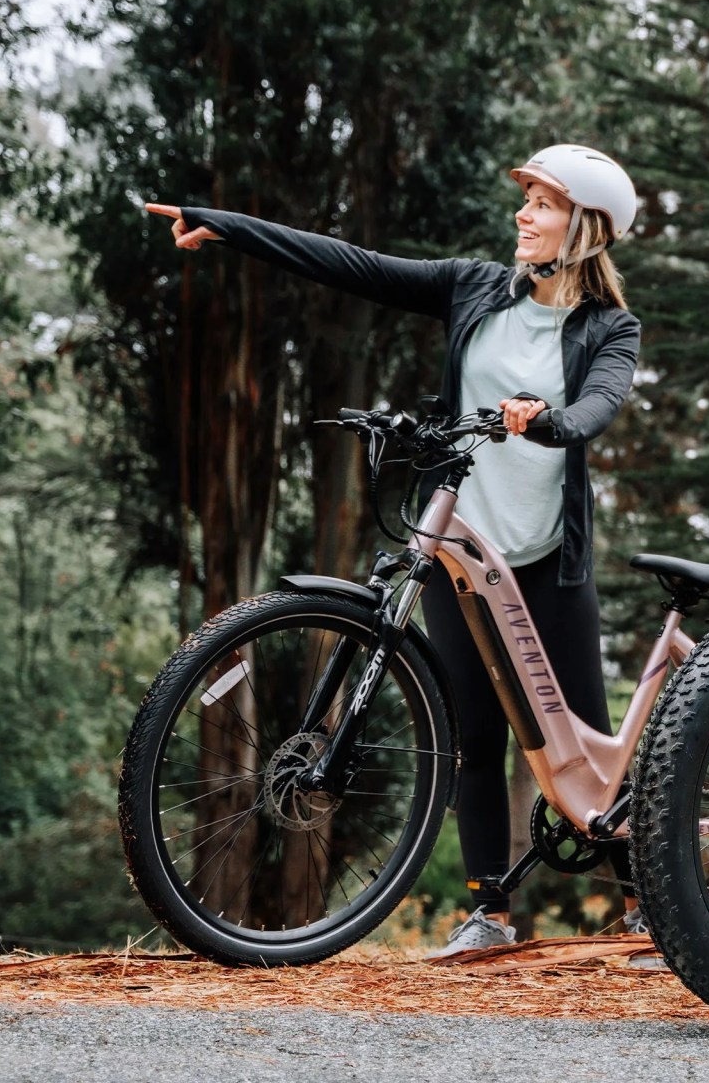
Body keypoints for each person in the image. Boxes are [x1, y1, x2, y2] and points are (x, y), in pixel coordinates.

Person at [146, 143, 645, 959]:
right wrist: (226, 227)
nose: (523, 214)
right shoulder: (475, 287)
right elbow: (352, 264)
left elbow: (599, 405)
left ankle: (644, 907)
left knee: (586, 746)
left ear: (585, 226)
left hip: (547, 561)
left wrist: (549, 421)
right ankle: (490, 912)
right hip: (462, 550)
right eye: (524, 200)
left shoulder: (608, 328)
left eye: (543, 204)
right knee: (471, 738)